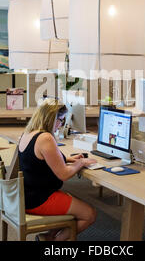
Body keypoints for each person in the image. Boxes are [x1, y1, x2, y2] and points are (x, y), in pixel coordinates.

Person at [18, 98, 97, 241]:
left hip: (26, 195)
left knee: (72, 203)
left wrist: (67, 159)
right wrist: (81, 163)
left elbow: (37, 158)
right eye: (60, 120)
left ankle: (47, 237)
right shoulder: (46, 138)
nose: (61, 124)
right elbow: (64, 175)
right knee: (89, 214)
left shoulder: (29, 132)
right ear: (51, 118)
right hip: (40, 199)